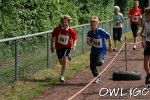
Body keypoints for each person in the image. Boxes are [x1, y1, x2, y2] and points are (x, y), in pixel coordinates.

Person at [51, 15, 78, 82]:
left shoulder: (71, 30)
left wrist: (74, 45)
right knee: (61, 62)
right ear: (61, 22)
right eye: (63, 22)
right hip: (59, 47)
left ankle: (62, 76)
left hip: (67, 47)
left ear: (68, 22)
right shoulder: (57, 29)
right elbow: (53, 37)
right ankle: (66, 59)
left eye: (66, 22)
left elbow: (75, 38)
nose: (64, 24)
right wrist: (52, 46)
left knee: (65, 59)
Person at [86, 16, 112, 83]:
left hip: (101, 50)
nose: (92, 26)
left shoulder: (100, 31)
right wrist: (89, 42)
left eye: (94, 25)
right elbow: (88, 42)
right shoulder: (89, 33)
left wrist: (110, 46)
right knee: (92, 65)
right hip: (94, 50)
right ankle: (97, 77)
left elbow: (109, 36)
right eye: (91, 25)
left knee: (99, 63)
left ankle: (102, 58)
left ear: (97, 25)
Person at [140, 7, 150, 88]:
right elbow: (142, 33)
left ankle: (149, 80)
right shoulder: (145, 23)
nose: (145, 16)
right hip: (147, 44)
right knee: (145, 66)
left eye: (147, 14)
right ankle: (148, 75)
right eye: (145, 14)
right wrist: (142, 41)